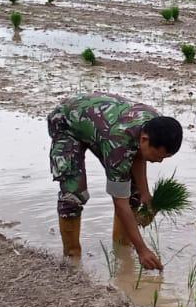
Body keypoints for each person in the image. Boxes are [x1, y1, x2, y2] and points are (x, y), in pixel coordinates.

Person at [47, 94, 184, 270]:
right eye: (158, 156)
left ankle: (122, 252)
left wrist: (144, 193)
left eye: (165, 158)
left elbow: (137, 155)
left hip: (101, 127)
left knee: (133, 195)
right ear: (144, 140)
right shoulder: (118, 145)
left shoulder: (154, 124)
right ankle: (72, 259)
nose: (159, 162)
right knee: (73, 195)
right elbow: (120, 202)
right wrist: (142, 250)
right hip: (67, 122)